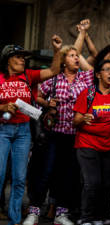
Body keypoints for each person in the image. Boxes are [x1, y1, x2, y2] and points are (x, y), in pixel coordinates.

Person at [23, 42, 95, 225]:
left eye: (77, 56)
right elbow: (36, 97)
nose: (76, 58)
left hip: (74, 135)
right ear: (63, 61)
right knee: (45, 172)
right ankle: (35, 210)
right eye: (71, 56)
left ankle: (61, 214)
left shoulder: (85, 79)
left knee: (67, 175)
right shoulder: (54, 79)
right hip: (53, 134)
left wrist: (82, 36)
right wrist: (47, 104)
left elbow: (92, 67)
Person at [0, 36, 62, 225]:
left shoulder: (28, 75)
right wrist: (2, 107)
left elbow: (54, 70)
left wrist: (57, 50)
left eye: (23, 57)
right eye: (18, 57)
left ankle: (14, 220)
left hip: (23, 131)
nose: (22, 60)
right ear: (8, 59)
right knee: (0, 175)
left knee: (19, 178)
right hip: (2, 130)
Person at [73, 60, 110, 225]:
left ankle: (101, 216)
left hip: (109, 146)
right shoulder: (88, 93)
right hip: (87, 144)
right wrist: (83, 118)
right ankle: (86, 217)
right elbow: (75, 120)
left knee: (107, 184)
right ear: (98, 74)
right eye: (107, 69)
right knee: (92, 183)